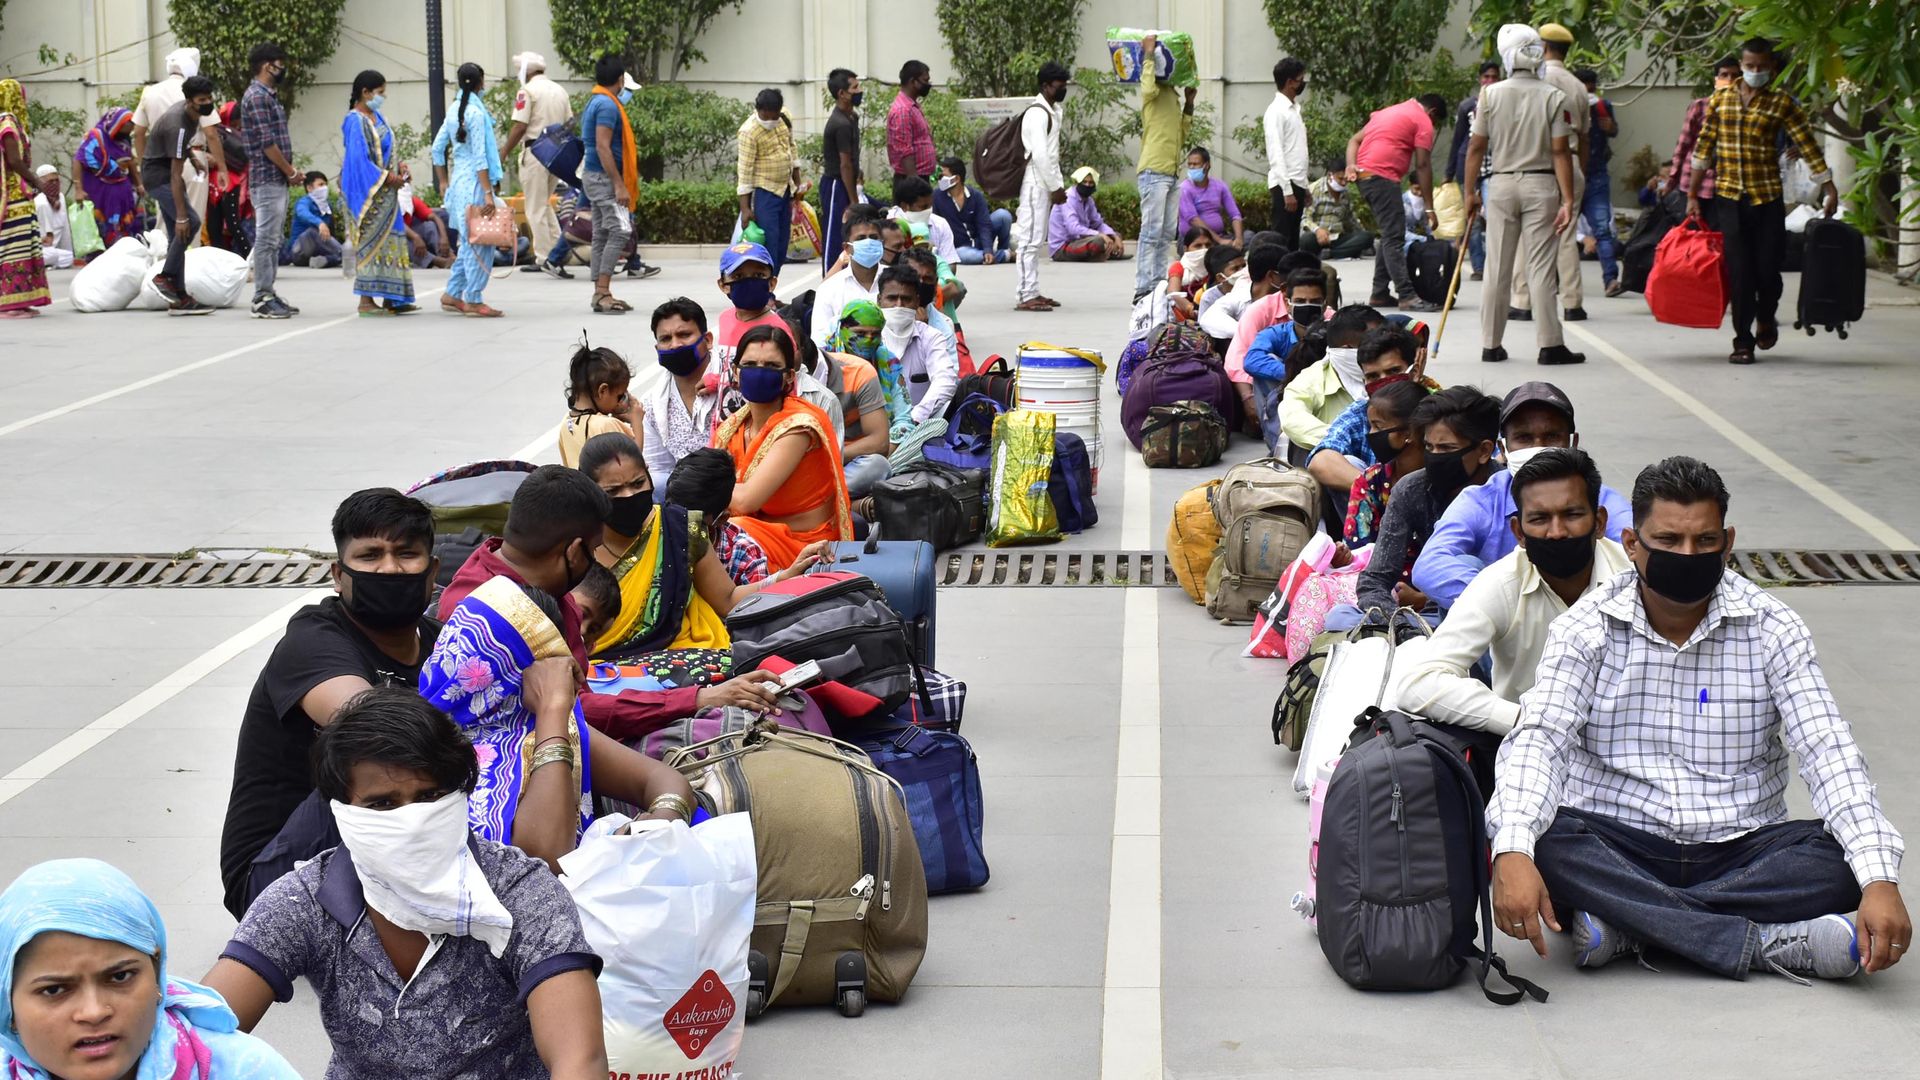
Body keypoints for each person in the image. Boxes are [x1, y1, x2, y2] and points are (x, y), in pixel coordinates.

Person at [1488, 456, 1911, 981]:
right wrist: (1512, 848)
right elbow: (1540, 740)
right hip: (1622, 841)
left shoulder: (1773, 628)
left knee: (1842, 862)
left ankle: (1634, 924)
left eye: (1704, 541)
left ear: (1727, 542)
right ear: (1632, 544)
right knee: (1547, 842)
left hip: (1740, 847)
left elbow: (1827, 749)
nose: (1687, 555)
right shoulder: (1585, 630)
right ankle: (1765, 944)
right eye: (1668, 541)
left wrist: (1878, 880)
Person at [207, 687, 614, 1078]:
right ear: (343, 812)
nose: (412, 820)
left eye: (429, 796)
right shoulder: (304, 901)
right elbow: (199, 1036)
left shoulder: (521, 892)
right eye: (383, 803)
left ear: (461, 794)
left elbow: (579, 1059)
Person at [218, 488, 443, 919]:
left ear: (432, 571)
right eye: (370, 555)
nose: (390, 568)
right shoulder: (313, 640)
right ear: (339, 575)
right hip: (273, 875)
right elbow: (374, 730)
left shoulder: (442, 642)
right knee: (382, 761)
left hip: (383, 852)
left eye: (406, 554)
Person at [1, 859, 301, 1079]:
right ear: (8, 1007)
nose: (94, 1012)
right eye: (54, 990)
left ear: (156, 973)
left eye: (120, 976)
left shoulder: (246, 1070)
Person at [1399, 447, 1628, 735]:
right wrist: (1524, 719)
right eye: (1540, 519)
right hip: (1531, 742)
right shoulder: (1503, 582)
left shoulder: (1633, 578)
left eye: (1572, 514)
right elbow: (1417, 684)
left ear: (1600, 522)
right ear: (1519, 532)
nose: (1557, 532)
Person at [579, 432, 830, 661]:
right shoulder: (575, 548)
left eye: (637, 483)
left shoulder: (680, 527)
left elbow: (728, 599)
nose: (629, 496)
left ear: (649, 474)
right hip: (607, 672)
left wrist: (786, 576)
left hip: (691, 660)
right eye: (613, 490)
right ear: (590, 491)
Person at [1411, 381, 1632, 609]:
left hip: (1587, 613)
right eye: (1524, 438)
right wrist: (1515, 603)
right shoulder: (1482, 500)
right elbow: (1430, 564)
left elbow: (1638, 553)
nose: (1538, 447)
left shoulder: (1600, 499)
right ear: (1503, 449)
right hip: (1502, 621)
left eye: (1551, 436)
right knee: (1465, 563)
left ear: (1572, 443)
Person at [1688, 37, 1839, 366]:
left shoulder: (1782, 103)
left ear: (1772, 67)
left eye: (1761, 66)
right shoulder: (1721, 101)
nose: (1755, 71)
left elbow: (1807, 145)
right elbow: (1703, 148)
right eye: (1749, 66)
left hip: (1767, 198)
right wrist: (1692, 194)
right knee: (1740, 273)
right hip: (1730, 198)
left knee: (1768, 270)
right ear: (1741, 65)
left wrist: (1829, 188)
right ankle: (1742, 340)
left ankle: (1766, 316)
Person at [1465, 24, 1585, 366]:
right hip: (1541, 185)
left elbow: (1476, 146)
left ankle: (1491, 344)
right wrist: (1567, 200)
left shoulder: (1490, 95)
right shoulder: (1553, 96)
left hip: (1501, 184)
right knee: (1541, 269)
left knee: (1497, 267)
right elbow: (1560, 151)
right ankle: (1550, 345)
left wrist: (1469, 191)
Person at [1353, 385, 1503, 619]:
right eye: (1429, 447)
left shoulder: (1508, 492)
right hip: (1425, 618)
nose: (1434, 456)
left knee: (1466, 563)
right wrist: (1401, 627)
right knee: (1340, 616)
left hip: (1495, 613)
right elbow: (1374, 580)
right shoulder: (1412, 489)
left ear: (1484, 451)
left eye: (1447, 448)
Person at [716, 324, 854, 571]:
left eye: (771, 366)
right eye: (750, 365)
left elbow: (746, 501)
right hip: (752, 530)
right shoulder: (732, 428)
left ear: (789, 376)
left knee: (726, 534)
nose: (759, 372)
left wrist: (706, 489)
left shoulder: (799, 426)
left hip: (803, 544)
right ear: (735, 372)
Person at [1511, 22, 1591, 325]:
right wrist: (1579, 169)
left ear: (1542, 48)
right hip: (1572, 161)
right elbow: (1584, 136)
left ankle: (1523, 300)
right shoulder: (1578, 85)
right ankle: (1573, 303)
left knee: (1527, 234)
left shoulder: (1533, 80)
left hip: (1538, 164)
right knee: (1567, 235)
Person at [1346, 92, 1448, 311]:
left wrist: (1351, 165)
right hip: (1382, 177)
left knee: (1389, 234)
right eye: (1435, 122)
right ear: (1432, 113)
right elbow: (1422, 165)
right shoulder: (1422, 120)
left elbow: (1354, 140)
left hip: (1366, 177)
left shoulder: (1390, 111)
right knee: (1394, 237)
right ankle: (1407, 296)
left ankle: (1379, 293)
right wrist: (1429, 208)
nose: (1432, 127)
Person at [1282, 317, 1418, 465]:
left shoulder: (1432, 407)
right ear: (1364, 380)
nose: (1384, 382)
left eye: (1393, 371)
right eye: (1373, 376)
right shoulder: (1359, 414)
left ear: (1415, 371)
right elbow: (1322, 460)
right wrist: (1369, 481)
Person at [130, 48, 226, 244]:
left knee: (165, 222)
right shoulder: (195, 93)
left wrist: (144, 165)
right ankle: (185, 261)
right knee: (192, 220)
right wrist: (222, 167)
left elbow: (138, 133)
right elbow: (211, 134)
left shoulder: (150, 92)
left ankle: (161, 259)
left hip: (159, 165)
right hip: (192, 159)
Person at [140, 75, 218, 317]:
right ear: (190, 101)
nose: (207, 103)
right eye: (202, 100)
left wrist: (193, 158)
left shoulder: (189, 115)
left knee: (178, 236)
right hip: (159, 177)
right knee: (190, 223)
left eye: (209, 98)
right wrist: (182, 216)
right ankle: (164, 277)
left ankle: (180, 298)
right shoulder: (179, 124)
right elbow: (175, 176)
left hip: (163, 174)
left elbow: (179, 147)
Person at [432, 62, 505, 318]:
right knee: (480, 242)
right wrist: (488, 194)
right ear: (480, 83)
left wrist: (443, 182)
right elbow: (480, 158)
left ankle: (453, 293)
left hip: (458, 183)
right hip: (475, 184)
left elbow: (437, 148)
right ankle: (473, 298)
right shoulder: (476, 114)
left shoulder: (454, 110)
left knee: (467, 242)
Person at [1133, 33, 1196, 298]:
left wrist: (1189, 103)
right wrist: (1148, 53)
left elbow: (1182, 133)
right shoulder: (1153, 91)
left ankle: (1157, 285)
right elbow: (1147, 88)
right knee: (1151, 231)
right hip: (1153, 171)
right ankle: (1143, 288)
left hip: (1170, 172)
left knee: (1166, 233)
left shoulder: (1172, 95)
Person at [239, 44, 300, 319]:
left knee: (274, 239)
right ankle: (261, 297)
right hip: (266, 178)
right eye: (280, 64)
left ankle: (270, 293)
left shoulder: (268, 96)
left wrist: (288, 172)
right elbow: (266, 143)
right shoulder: (257, 97)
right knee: (266, 238)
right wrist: (290, 171)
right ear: (268, 66)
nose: (283, 69)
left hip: (276, 178)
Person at [581, 55, 643, 314]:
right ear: (620, 80)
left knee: (602, 234)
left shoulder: (596, 100)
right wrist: (619, 185)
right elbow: (603, 147)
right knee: (620, 230)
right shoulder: (607, 105)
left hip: (594, 176)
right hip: (604, 179)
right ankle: (603, 290)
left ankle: (600, 292)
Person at [813, 306, 896, 497]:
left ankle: (820, 497)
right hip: (812, 456)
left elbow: (901, 419)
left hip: (858, 455)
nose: (868, 340)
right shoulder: (819, 363)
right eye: (860, 333)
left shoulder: (888, 361)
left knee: (878, 465)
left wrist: (890, 445)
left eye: (875, 334)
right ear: (841, 329)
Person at [501, 51, 571, 274]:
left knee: (534, 207)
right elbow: (569, 123)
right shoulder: (559, 90)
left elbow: (520, 126)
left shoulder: (527, 91)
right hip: (557, 152)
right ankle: (559, 252)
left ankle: (543, 258)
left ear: (525, 71)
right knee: (544, 204)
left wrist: (504, 151)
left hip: (535, 151)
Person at [640, 297, 719, 492]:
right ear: (657, 348)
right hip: (685, 495)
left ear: (708, 340)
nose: (675, 345)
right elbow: (659, 469)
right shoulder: (652, 404)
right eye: (665, 339)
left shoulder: (734, 383)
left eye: (684, 335)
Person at [1343, 378, 1433, 547]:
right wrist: (1345, 556)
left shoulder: (1440, 478)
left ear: (1409, 432)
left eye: (1378, 426)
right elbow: (1358, 545)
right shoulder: (1371, 480)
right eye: (1371, 426)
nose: (1371, 434)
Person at [665, 448, 773, 586]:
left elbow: (754, 599)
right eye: (673, 514)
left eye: (692, 523)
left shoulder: (745, 556)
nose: (678, 526)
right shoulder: (655, 531)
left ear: (721, 519)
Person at [1014, 62, 1069, 312]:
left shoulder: (1053, 110)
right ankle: (1026, 294)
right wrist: (1055, 187)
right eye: (1059, 85)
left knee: (1036, 240)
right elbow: (1040, 156)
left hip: (1044, 182)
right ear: (1046, 86)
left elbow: (1052, 155)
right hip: (1036, 182)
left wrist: (1057, 185)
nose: (1063, 89)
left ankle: (1032, 290)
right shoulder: (1037, 113)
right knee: (1029, 240)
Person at [876, 263, 959, 425]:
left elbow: (945, 381)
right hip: (874, 422)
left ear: (917, 301)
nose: (899, 305)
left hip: (919, 423)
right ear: (879, 300)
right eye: (892, 298)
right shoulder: (868, 337)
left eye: (906, 299)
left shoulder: (931, 337)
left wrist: (914, 418)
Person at [736, 88, 806, 271]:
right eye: (765, 117)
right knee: (769, 243)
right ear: (759, 110)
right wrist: (745, 209)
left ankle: (773, 283)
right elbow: (744, 171)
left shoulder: (784, 118)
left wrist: (798, 184)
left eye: (773, 117)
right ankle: (766, 286)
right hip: (766, 192)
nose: (770, 121)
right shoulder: (748, 132)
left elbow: (791, 148)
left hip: (785, 190)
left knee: (782, 244)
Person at [810, 203, 889, 352]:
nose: (868, 242)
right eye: (861, 238)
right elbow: (820, 343)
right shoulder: (828, 289)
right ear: (847, 248)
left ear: (882, 243)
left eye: (874, 237)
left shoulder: (895, 281)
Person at [1450, 61, 1503, 280]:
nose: (1490, 81)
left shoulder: (1504, 102)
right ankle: (1479, 267)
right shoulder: (1467, 106)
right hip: (1470, 169)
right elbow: (1458, 140)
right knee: (1472, 219)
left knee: (1493, 216)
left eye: (1494, 77)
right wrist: (1449, 173)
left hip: (1494, 169)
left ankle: (1494, 264)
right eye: (1486, 77)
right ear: (1480, 79)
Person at [1665, 55, 1739, 204]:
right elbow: (1683, 145)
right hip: (1694, 186)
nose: (1730, 80)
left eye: (1734, 76)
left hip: (1727, 188)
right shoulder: (1700, 106)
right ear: (1716, 79)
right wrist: (1672, 179)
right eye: (1724, 75)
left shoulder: (1744, 110)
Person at [1575, 68, 1622, 297]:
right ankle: (1554, 277)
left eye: (1591, 85)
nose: (1588, 90)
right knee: (1559, 230)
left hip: (1594, 175)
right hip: (1574, 174)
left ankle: (1611, 279)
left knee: (1602, 229)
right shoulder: (1568, 105)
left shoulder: (1603, 106)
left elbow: (1613, 131)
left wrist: (1609, 127)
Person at [72, 106, 145, 249]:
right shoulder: (96, 137)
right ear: (118, 124)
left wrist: (139, 184)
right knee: (104, 233)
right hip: (100, 193)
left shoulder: (124, 140)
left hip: (122, 193)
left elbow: (129, 161)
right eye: (129, 124)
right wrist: (78, 189)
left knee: (126, 233)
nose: (132, 127)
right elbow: (79, 160)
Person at [557, 340, 636, 468]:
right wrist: (636, 421)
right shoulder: (606, 425)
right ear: (603, 391)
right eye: (619, 396)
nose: (619, 403)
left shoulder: (566, 423)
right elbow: (633, 465)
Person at [1262, 57, 1311, 245]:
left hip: (1296, 182)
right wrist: (1287, 191)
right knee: (1281, 241)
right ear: (1290, 82)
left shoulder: (1294, 110)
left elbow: (1297, 152)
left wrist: (1304, 186)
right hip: (1285, 184)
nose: (1302, 83)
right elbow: (1276, 154)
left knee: (1292, 242)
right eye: (1300, 79)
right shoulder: (1276, 111)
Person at [820, 68, 863, 272]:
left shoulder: (851, 118)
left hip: (847, 183)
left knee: (848, 233)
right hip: (836, 185)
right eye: (855, 87)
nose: (859, 91)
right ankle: (828, 278)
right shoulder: (841, 123)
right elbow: (844, 164)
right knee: (834, 236)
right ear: (842, 93)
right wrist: (854, 200)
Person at [935, 156, 1012, 264]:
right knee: (964, 256)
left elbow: (984, 224)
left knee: (1003, 215)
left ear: (956, 179)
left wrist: (988, 249)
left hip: (979, 241)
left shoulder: (975, 196)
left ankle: (1001, 250)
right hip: (960, 248)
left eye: (943, 176)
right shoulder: (937, 197)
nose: (940, 179)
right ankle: (1006, 255)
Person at [1299, 158, 1371, 259]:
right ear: (1330, 175)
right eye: (1340, 179)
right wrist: (1318, 230)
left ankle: (1332, 253)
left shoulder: (1345, 194)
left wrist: (1362, 235)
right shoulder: (1315, 189)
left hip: (1337, 237)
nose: (1343, 183)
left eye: (1346, 179)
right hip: (1317, 237)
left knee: (1367, 237)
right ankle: (1343, 252)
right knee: (1306, 239)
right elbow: (1305, 218)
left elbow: (1350, 220)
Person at [1048, 166, 1123, 262]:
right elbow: (1073, 229)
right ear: (1077, 183)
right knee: (1098, 241)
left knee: (1114, 235)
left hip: (1078, 242)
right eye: (1084, 182)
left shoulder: (1089, 201)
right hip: (1062, 247)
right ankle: (1106, 252)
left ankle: (1109, 252)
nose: (1087, 185)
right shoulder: (1068, 198)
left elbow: (1098, 224)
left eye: (1091, 183)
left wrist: (1114, 236)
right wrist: (1100, 235)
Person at [887, 60, 937, 196]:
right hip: (911, 181)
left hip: (919, 178)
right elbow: (904, 150)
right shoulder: (903, 110)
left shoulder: (912, 106)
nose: (928, 84)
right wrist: (915, 186)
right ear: (913, 81)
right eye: (925, 80)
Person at [1180, 147, 1244, 247]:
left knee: (1250, 238)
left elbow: (1235, 214)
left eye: (1195, 164)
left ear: (1207, 165)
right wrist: (1219, 240)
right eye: (1189, 164)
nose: (1191, 167)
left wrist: (1239, 239)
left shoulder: (1220, 185)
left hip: (1220, 236)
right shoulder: (1184, 188)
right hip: (1193, 241)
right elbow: (1193, 219)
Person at [890, 175, 960, 266]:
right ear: (904, 206)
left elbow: (950, 263)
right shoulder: (888, 225)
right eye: (923, 207)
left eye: (930, 206)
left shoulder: (940, 224)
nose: (929, 210)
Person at [286, 169, 343, 269]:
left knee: (326, 237)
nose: (325, 188)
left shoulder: (327, 206)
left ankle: (325, 260)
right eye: (321, 185)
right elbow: (302, 213)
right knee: (313, 231)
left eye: (326, 185)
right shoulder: (304, 202)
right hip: (299, 251)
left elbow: (329, 234)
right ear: (309, 188)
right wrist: (319, 223)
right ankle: (343, 254)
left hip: (317, 252)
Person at [30, 166, 74, 269]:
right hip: (42, 247)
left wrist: (67, 250)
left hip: (55, 251)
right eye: (50, 181)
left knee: (68, 256)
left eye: (56, 180)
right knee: (51, 255)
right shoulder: (40, 202)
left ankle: (48, 263)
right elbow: (45, 237)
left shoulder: (61, 197)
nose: (54, 184)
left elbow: (65, 230)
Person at [401, 182, 452, 268]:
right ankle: (436, 261)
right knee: (404, 242)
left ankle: (448, 255)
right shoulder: (391, 205)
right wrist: (416, 237)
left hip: (411, 232)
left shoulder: (411, 201)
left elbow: (435, 217)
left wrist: (444, 238)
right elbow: (397, 224)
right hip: (395, 237)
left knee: (429, 226)